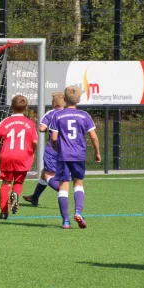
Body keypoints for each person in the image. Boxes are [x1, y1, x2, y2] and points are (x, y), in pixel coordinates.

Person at [49, 85, 100, 229]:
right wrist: (97, 153)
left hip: (63, 156)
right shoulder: (84, 115)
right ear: (79, 100)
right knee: (78, 183)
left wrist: (56, 148)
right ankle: (78, 211)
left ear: (64, 99)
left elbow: (53, 138)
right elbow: (94, 137)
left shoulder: (57, 115)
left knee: (63, 187)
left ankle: (65, 221)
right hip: (79, 156)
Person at [0, 95, 38, 219]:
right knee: (18, 182)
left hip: (7, 155)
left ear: (11, 107)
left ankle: (3, 212)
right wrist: (33, 152)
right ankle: (16, 194)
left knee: (5, 183)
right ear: (26, 107)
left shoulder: (5, 121)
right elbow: (35, 142)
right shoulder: (30, 123)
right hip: (23, 156)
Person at [23, 92, 65, 206]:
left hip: (53, 148)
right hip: (66, 148)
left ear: (54, 103)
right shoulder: (67, 113)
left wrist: (46, 129)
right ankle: (35, 197)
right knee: (44, 172)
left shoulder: (51, 113)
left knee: (48, 175)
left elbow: (42, 128)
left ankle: (62, 191)